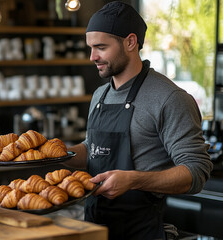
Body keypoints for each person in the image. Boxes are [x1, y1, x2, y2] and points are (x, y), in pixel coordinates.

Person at [66, 1, 213, 239]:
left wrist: (134, 180)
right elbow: (92, 150)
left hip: (145, 231)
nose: (92, 56)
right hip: (96, 230)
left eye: (101, 47)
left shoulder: (169, 98)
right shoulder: (99, 95)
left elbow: (196, 172)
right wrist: (59, 155)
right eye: (90, 47)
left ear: (130, 42)